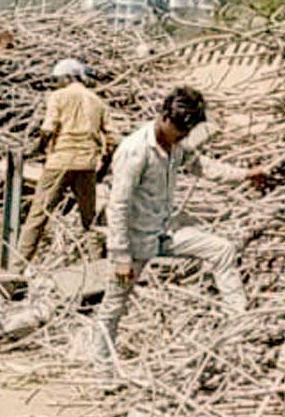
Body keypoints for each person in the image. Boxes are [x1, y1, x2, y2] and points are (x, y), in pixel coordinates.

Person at [92, 86, 262, 362]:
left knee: (222, 250)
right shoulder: (135, 151)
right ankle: (100, 364)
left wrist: (244, 174)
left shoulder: (175, 146)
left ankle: (238, 327)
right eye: (180, 130)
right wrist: (121, 255)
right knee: (114, 307)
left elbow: (203, 167)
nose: (183, 137)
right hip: (134, 242)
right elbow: (118, 205)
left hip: (165, 232)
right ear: (165, 117)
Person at [15, 58, 111, 268]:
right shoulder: (97, 100)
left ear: (67, 77)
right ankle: (98, 269)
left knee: (38, 217)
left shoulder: (58, 97)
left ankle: (16, 269)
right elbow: (113, 139)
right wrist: (102, 167)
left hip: (60, 161)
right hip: (87, 164)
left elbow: (48, 128)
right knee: (90, 221)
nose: (56, 83)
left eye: (58, 79)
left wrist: (36, 149)